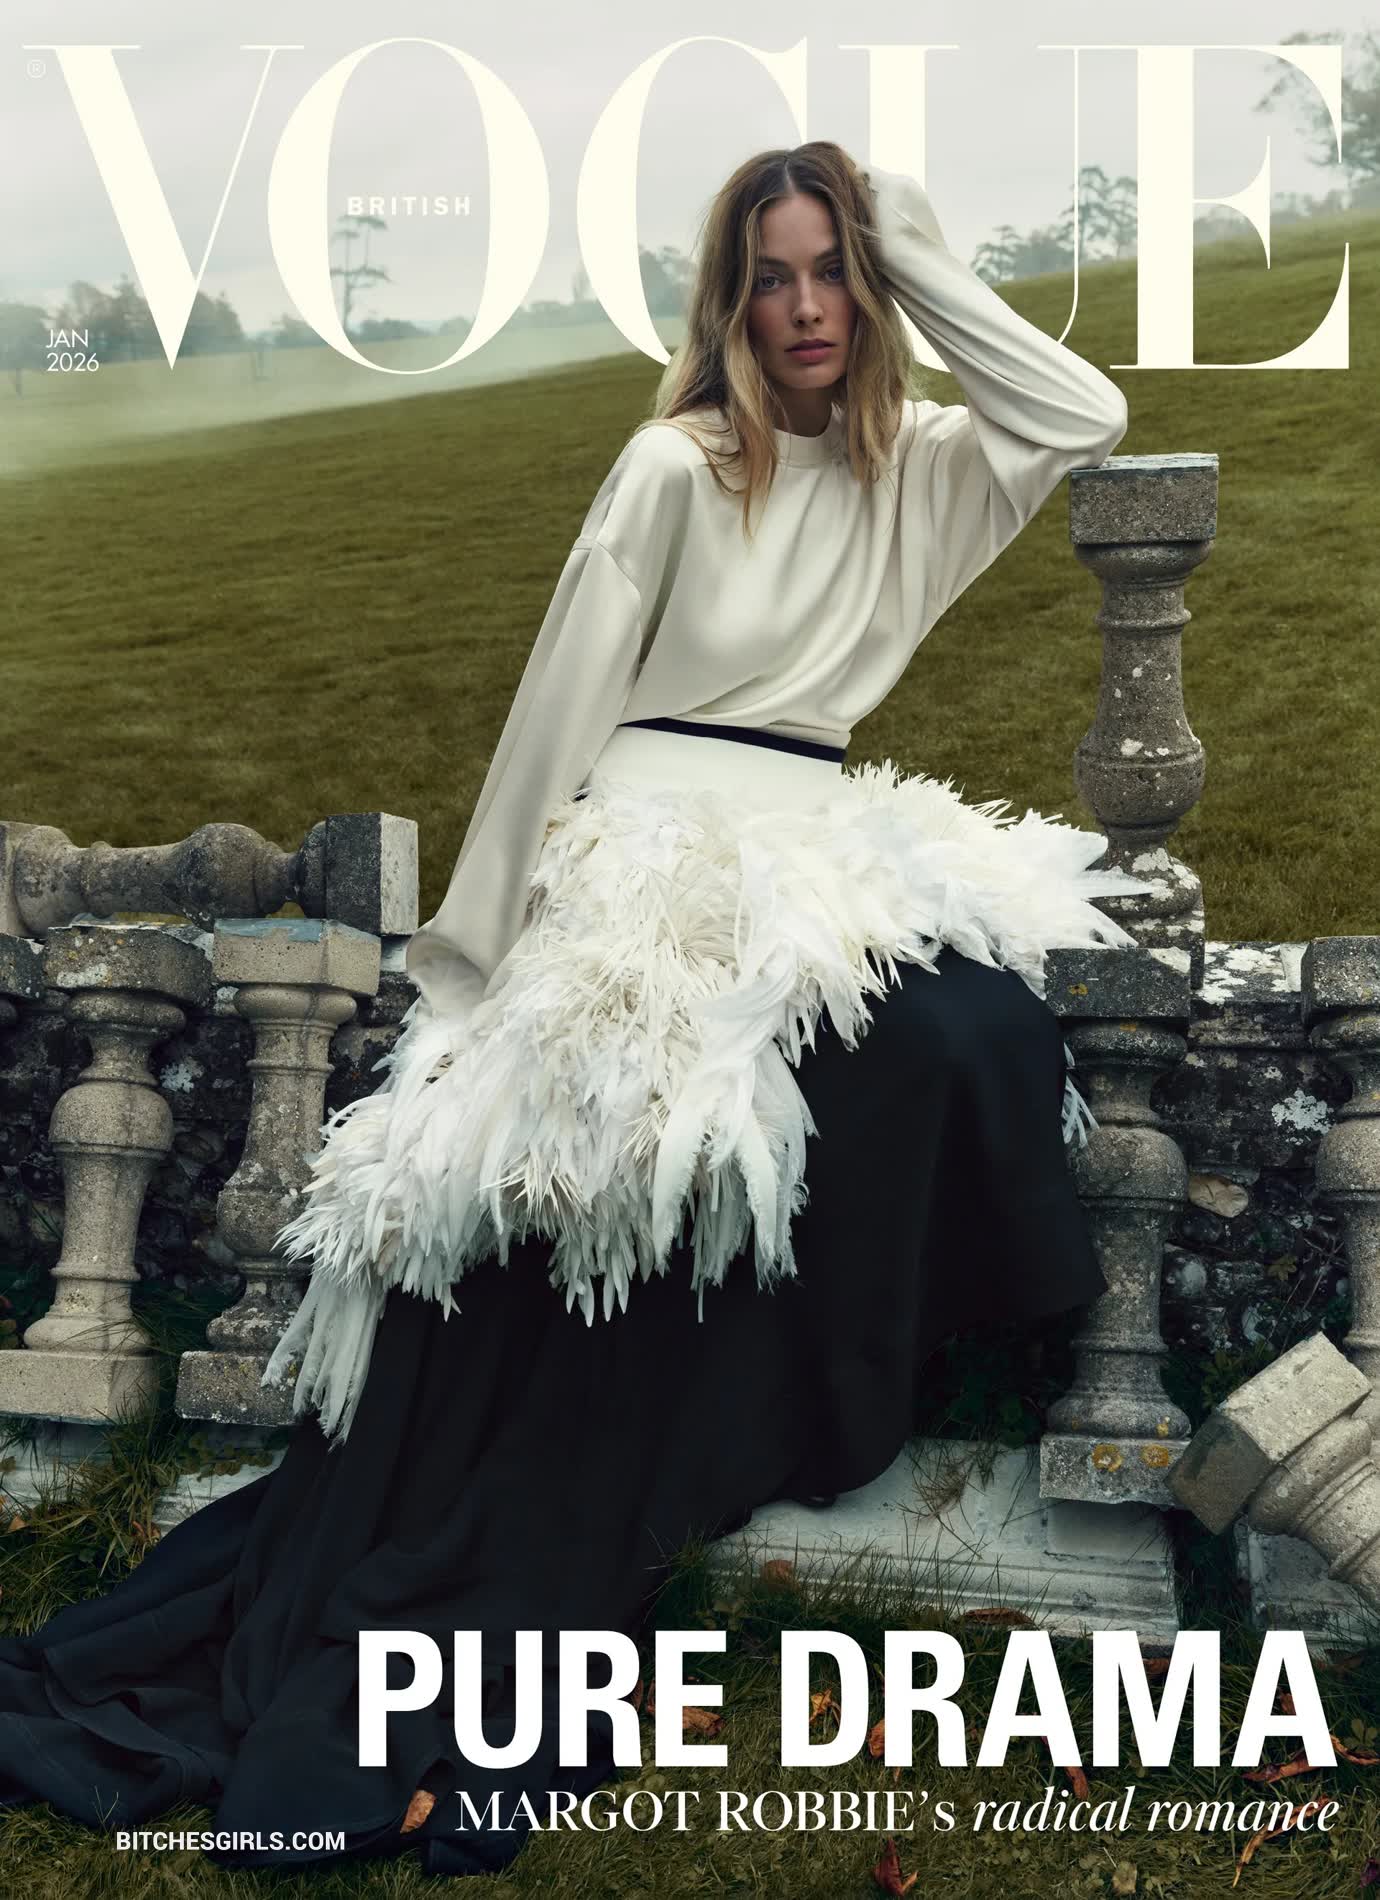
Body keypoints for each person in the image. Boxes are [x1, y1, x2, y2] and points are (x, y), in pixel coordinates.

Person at [0, 144, 1154, 1878]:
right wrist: (482, 951)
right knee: (627, 1189)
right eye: (774, 276)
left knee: (968, 1039)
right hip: (653, 839)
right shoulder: (675, 463)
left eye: (834, 272)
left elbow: (1082, 412)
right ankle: (609, 1475)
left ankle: (812, 1386)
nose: (808, 308)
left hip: (818, 847)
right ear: (730, 301)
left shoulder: (919, 465)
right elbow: (561, 697)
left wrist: (912, 245)